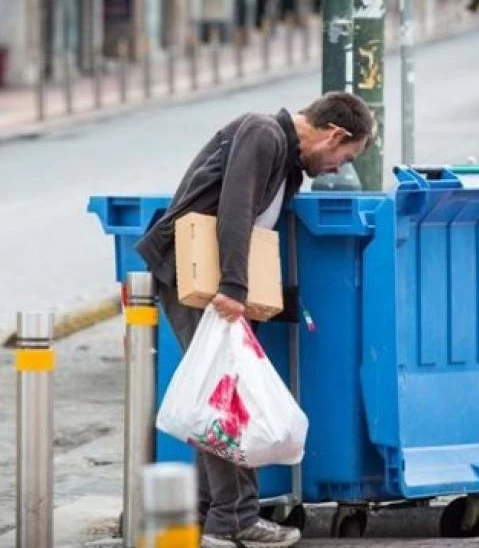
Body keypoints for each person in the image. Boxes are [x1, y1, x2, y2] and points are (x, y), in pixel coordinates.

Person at [135, 91, 374, 548]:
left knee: (218, 394)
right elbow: (236, 208)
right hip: (197, 276)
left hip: (214, 280)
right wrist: (233, 288)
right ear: (334, 134)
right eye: (347, 155)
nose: (341, 167)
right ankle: (235, 519)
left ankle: (213, 519)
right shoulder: (263, 133)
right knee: (225, 398)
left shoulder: (287, 161)